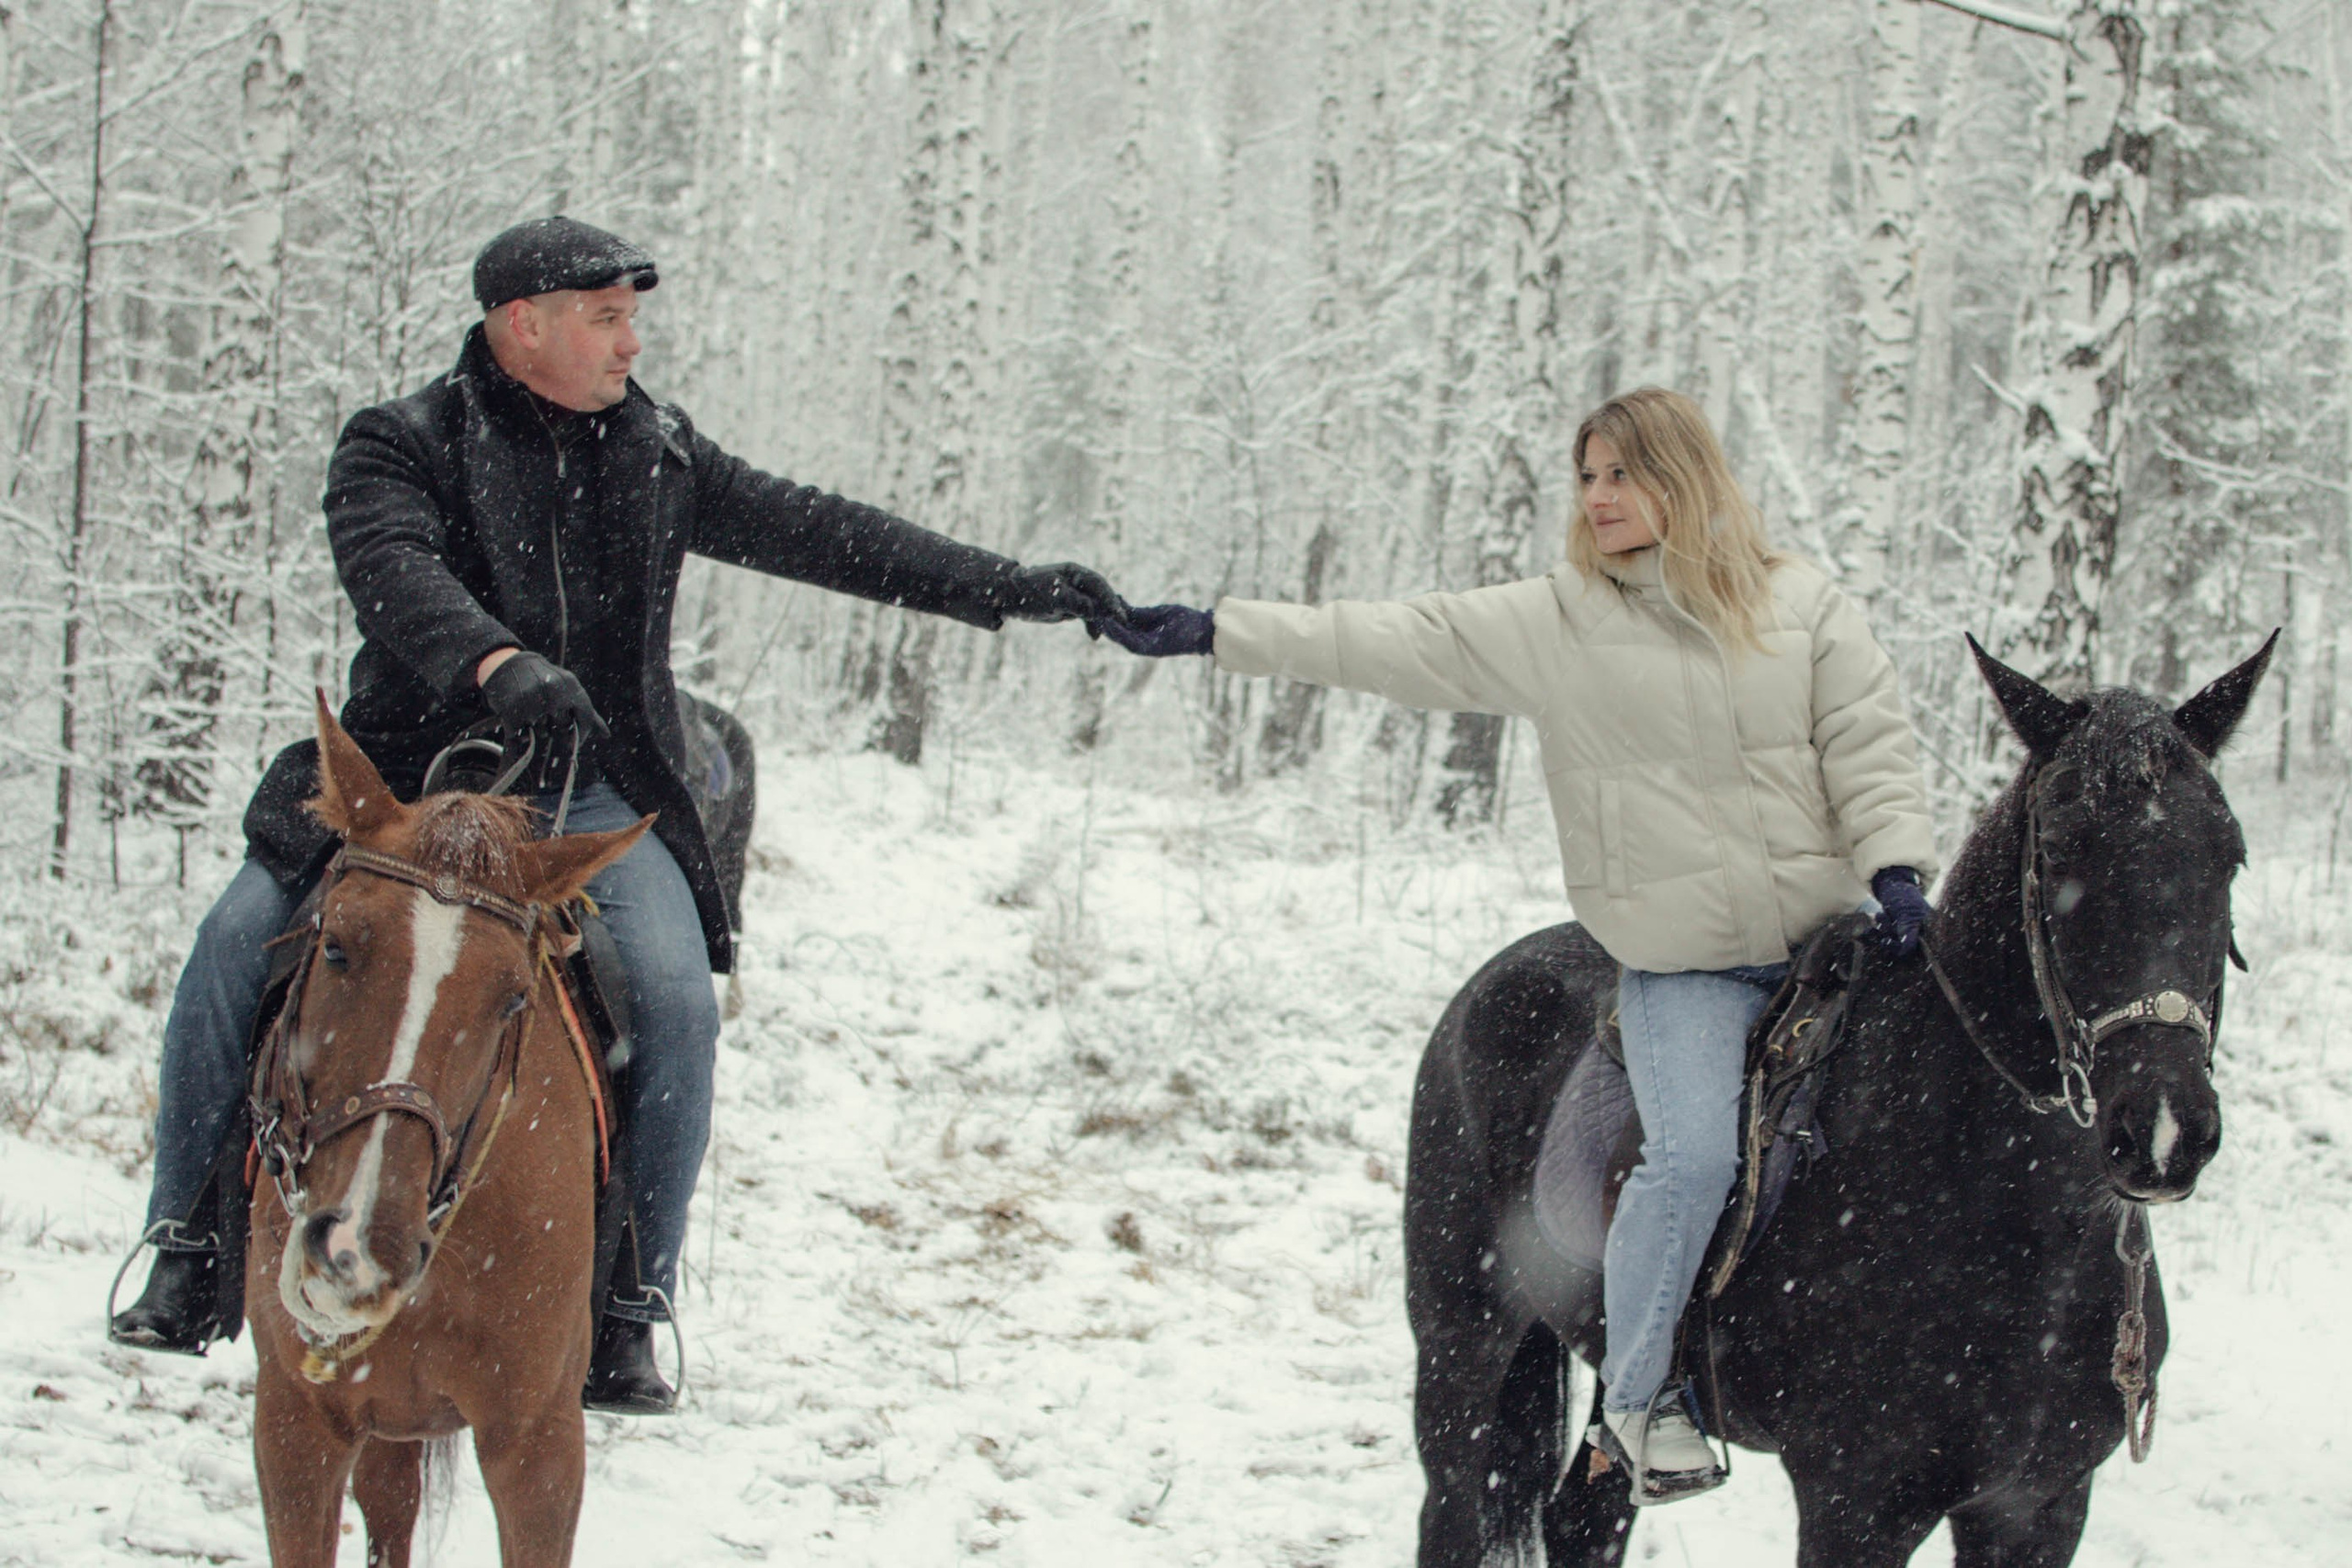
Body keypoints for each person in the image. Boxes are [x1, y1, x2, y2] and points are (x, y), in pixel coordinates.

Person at [109, 217, 1127, 1414]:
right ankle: (185, 1244)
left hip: (586, 786)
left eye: (632, 317)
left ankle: (630, 1304)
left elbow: (820, 529)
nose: (631, 342)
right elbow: (390, 568)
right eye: (607, 316)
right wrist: (495, 660)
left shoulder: (656, 451)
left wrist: (1012, 586)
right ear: (521, 323)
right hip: (406, 774)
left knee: (677, 997)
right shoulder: (401, 441)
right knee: (237, 940)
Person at [1104, 387, 1937, 1504]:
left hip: (1826, 959)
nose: (1595, 498)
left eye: (1619, 474)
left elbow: (1866, 739)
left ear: (1680, 479)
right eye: (1584, 476)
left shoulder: (1801, 603)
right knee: (1689, 1162)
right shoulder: (1558, 623)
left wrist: (1895, 870)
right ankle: (1641, 1402)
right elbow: (1391, 639)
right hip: (1685, 971)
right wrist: (1219, 631)